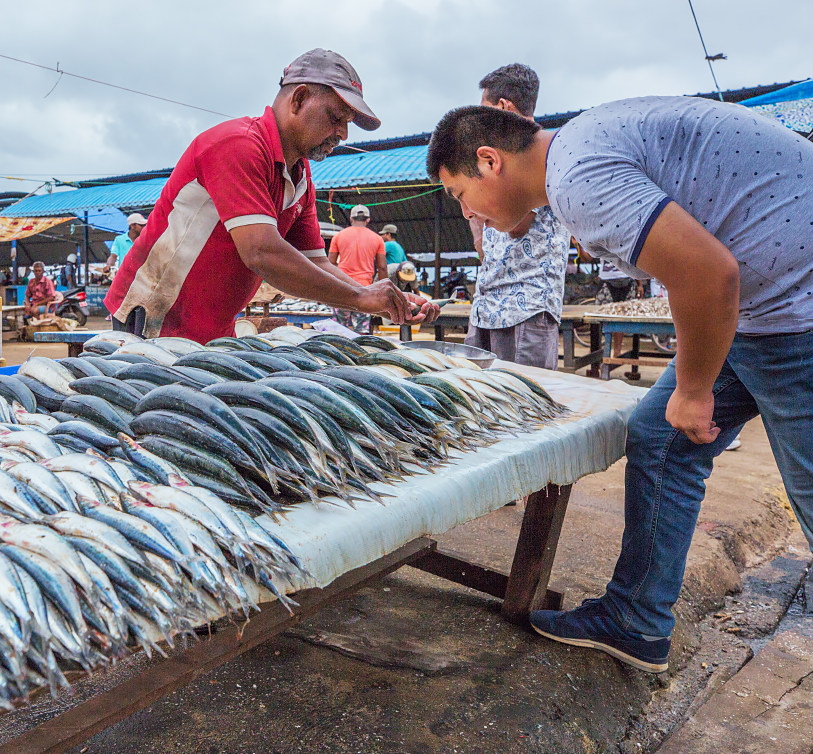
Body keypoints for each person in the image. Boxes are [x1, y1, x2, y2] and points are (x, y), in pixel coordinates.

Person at [427, 95, 813, 674]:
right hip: (763, 303)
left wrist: (693, 388)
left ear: (489, 162)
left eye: (460, 195)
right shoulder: (583, 148)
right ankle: (634, 620)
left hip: (794, 310)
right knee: (658, 436)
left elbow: (708, 275)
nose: (468, 213)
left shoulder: (577, 178)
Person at [107, 50, 436, 341]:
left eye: (347, 123)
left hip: (212, 329)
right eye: (336, 118)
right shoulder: (238, 146)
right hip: (152, 320)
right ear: (298, 99)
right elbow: (261, 252)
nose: (342, 133)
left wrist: (376, 296)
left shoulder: (301, 176)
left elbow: (315, 261)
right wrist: (360, 299)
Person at [463, 64, 568, 370]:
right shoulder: (497, 156)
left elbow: (517, 225)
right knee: (479, 399)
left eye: (485, 110)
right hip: (486, 305)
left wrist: (473, 190)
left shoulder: (541, 152)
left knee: (525, 405)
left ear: (503, 107)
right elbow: (482, 242)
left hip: (525, 308)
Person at [328, 205, 387, 333]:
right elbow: (382, 267)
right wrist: (383, 291)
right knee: (361, 329)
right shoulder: (377, 239)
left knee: (339, 329)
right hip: (364, 289)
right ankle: (360, 352)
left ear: (351, 219)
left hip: (341, 287)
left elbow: (330, 264)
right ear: (368, 220)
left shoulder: (338, 236)